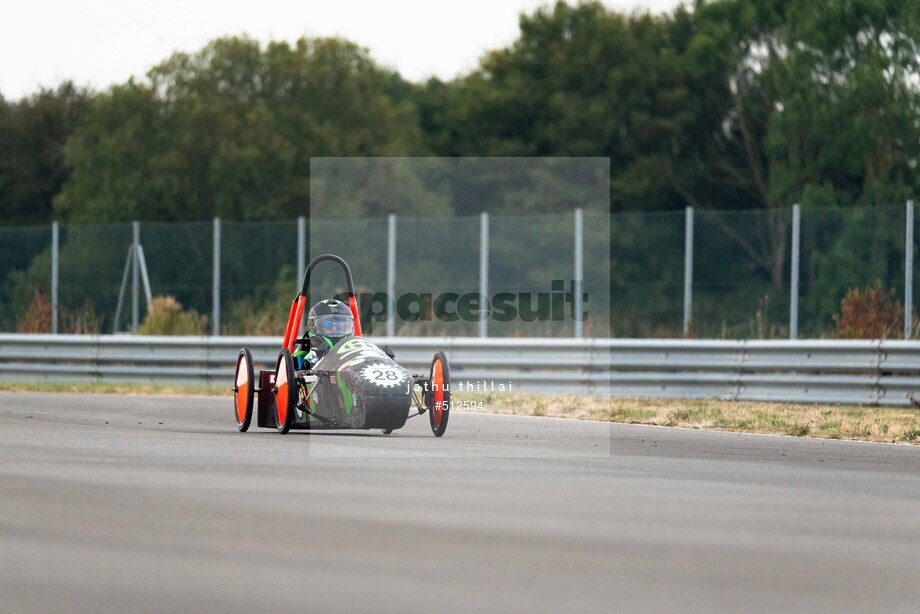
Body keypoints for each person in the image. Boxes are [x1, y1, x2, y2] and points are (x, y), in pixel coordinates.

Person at [294, 299, 355, 370]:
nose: (334, 329)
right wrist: (317, 354)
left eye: (339, 325)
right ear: (313, 326)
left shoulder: (354, 346)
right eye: (328, 325)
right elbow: (296, 368)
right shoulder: (305, 349)